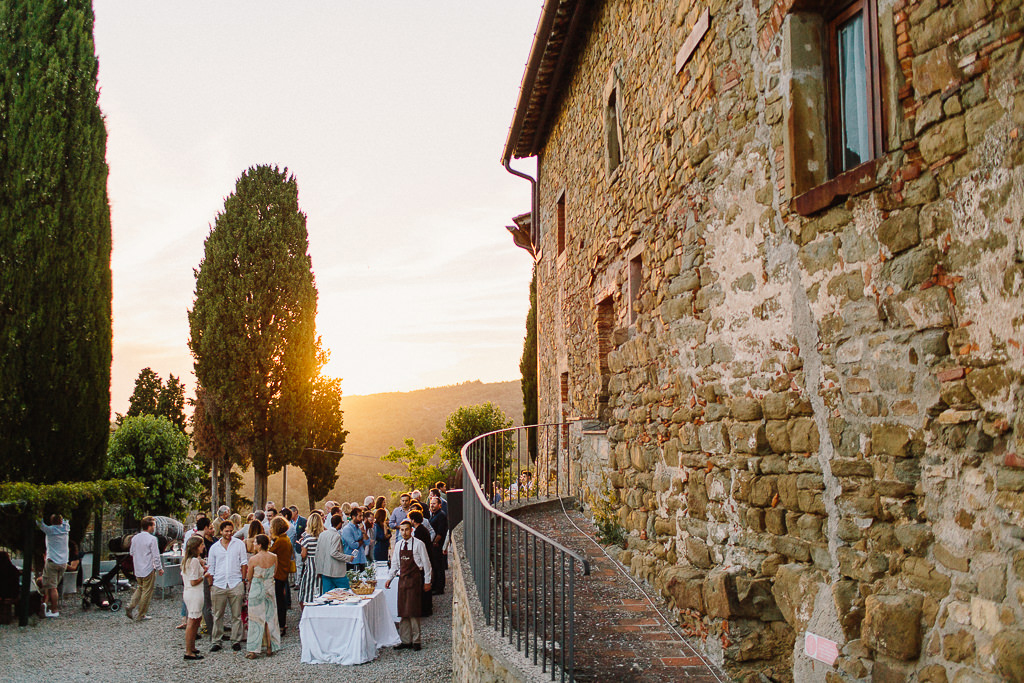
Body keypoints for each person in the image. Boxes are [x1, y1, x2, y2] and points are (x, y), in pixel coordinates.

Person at [385, 520, 431, 651]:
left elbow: (427, 564)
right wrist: (389, 578)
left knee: (414, 611)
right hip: (402, 581)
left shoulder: (419, 544)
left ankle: (416, 640)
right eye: (402, 530)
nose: (404, 532)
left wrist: (427, 581)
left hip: (415, 580)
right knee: (403, 611)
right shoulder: (398, 545)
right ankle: (405, 640)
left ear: (411, 531)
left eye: (406, 530)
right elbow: (395, 564)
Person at [207, 519, 248, 652]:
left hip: (235, 582)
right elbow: (211, 567)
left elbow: (243, 562)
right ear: (221, 531)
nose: (229, 533)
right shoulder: (214, 548)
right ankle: (216, 640)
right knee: (218, 614)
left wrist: (242, 580)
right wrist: (211, 585)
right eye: (226, 531)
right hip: (219, 583)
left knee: (236, 615)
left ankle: (235, 639)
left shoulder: (239, 544)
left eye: (231, 531)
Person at [245, 534, 281, 658]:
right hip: (269, 586)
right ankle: (270, 646)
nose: (253, 544)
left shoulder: (253, 559)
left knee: (256, 618)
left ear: (260, 545)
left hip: (257, 586)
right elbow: (275, 572)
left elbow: (249, 577)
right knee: (270, 617)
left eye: (255, 542)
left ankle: (254, 649)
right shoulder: (274, 557)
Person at [126, 516, 164, 622]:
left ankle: (131, 605)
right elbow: (156, 556)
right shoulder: (152, 539)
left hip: (137, 568)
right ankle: (141, 613)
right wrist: (159, 568)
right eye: (153, 526)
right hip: (148, 568)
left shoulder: (135, 538)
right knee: (147, 591)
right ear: (149, 526)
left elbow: (131, 553)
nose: (154, 528)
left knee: (140, 588)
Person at [37, 514, 70, 618]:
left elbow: (39, 523)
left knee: (52, 587)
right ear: (61, 521)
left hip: (52, 561)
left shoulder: (50, 530)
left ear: (51, 522)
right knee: (52, 585)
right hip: (63, 562)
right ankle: (46, 604)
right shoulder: (66, 528)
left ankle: (54, 610)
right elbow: (67, 518)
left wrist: (39, 514)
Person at [181, 536, 207, 660]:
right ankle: (188, 650)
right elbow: (193, 581)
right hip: (194, 592)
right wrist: (205, 576)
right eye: (201, 545)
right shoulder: (194, 561)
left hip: (189, 593)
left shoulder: (188, 560)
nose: (203, 547)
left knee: (196, 619)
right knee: (192, 621)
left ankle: (192, 646)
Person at [315, 514, 354, 592]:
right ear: (339, 524)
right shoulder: (336, 535)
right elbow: (333, 552)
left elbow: (318, 552)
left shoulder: (322, 534)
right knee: (346, 592)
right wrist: (348, 558)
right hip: (336, 571)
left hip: (324, 570)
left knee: (327, 595)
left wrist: (318, 569)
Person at [268, 516, 292, 635]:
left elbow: (270, 552)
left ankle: (281, 624)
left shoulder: (280, 541)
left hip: (279, 573)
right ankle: (282, 623)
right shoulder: (285, 539)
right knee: (280, 598)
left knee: (279, 600)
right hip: (284, 571)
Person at [406, 510, 432, 618]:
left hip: (423, 560)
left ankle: (425, 610)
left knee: (423, 589)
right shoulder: (422, 529)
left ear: (413, 520)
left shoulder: (419, 532)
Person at [297, 512, 324, 607]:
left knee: (307, 591)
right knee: (320, 589)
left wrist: (301, 546)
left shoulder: (307, 538)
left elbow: (303, 555)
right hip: (322, 567)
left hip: (311, 567)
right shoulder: (323, 537)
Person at [428, 497, 448, 595]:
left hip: (437, 545)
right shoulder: (433, 515)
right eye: (431, 503)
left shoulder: (441, 515)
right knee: (435, 567)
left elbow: (440, 532)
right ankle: (435, 585)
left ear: (439, 504)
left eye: (434, 503)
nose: (432, 505)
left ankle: (439, 588)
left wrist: (435, 542)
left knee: (439, 567)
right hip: (433, 545)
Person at [341, 507, 366, 572]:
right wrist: (361, 541)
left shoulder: (361, 527)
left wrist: (363, 532)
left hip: (361, 559)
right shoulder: (347, 529)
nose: (361, 518)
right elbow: (353, 545)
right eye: (360, 516)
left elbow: (367, 541)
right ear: (353, 517)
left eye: (362, 516)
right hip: (351, 561)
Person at [288, 505, 306, 588]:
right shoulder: (289, 522)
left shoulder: (303, 521)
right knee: (293, 564)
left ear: (295, 512)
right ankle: (295, 581)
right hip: (291, 546)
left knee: (299, 564)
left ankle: (298, 582)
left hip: (299, 546)